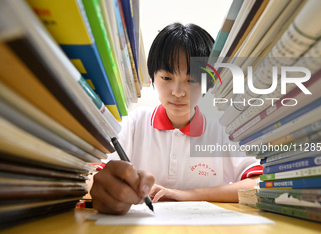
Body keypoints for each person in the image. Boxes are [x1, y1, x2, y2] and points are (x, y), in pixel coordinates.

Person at [90, 23, 262, 215]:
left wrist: (185, 195)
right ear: (152, 76)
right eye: (166, 78)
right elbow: (94, 178)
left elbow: (258, 184)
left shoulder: (222, 130)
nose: (178, 92)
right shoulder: (134, 123)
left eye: (191, 80)